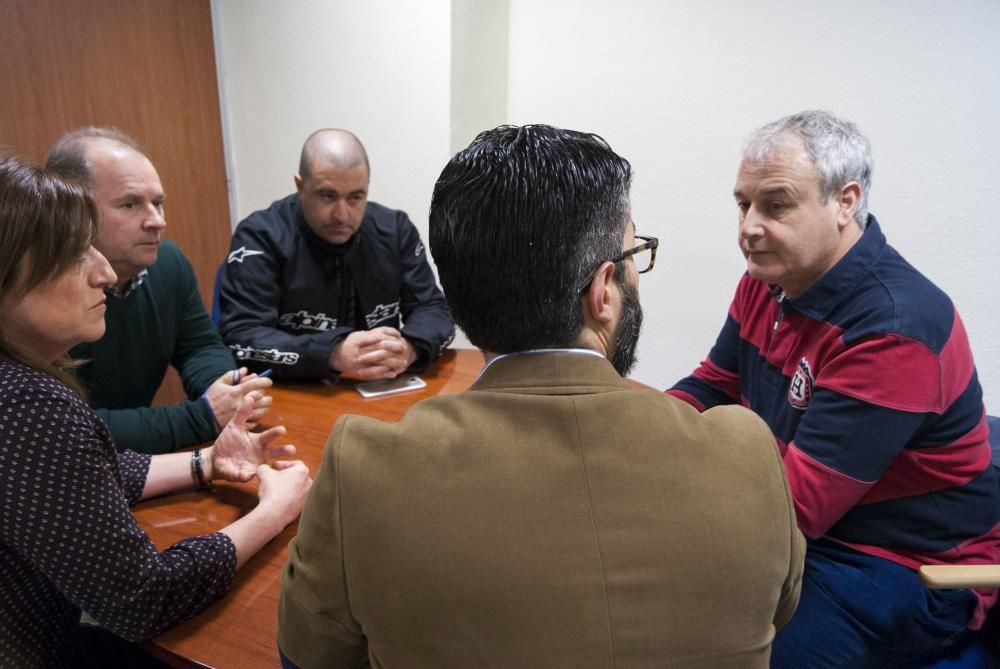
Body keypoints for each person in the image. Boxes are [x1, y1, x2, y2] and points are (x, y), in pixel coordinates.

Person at [277, 125, 805, 668]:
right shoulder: (746, 455)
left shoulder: (364, 471)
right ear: (603, 292)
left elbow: (307, 657)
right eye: (635, 254)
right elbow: (779, 609)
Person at [668, 110, 1000, 667]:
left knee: (725, 649)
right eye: (743, 204)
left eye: (775, 205)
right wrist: (633, 435)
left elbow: (797, 509)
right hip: (815, 527)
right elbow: (714, 383)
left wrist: (653, 495)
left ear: (846, 202)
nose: (749, 226)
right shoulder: (769, 280)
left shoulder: (896, 328)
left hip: (903, 559)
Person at [0, 153, 312, 668]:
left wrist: (204, 462)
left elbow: (78, 479)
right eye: (78, 253)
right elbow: (144, 600)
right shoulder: (27, 403)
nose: (102, 273)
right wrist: (274, 510)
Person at [45, 127, 271, 454]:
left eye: (158, 203)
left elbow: (198, 346)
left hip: (138, 468)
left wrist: (227, 388)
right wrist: (202, 417)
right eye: (130, 204)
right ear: (70, 211)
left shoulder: (168, 263)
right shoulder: (38, 294)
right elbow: (65, 429)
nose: (157, 221)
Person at [217, 128, 454, 382]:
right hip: (295, 393)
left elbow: (433, 308)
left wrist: (409, 349)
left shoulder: (395, 230)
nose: (342, 215)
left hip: (380, 392)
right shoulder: (260, 236)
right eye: (327, 196)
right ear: (300, 186)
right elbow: (241, 337)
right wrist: (331, 353)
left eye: (355, 197)